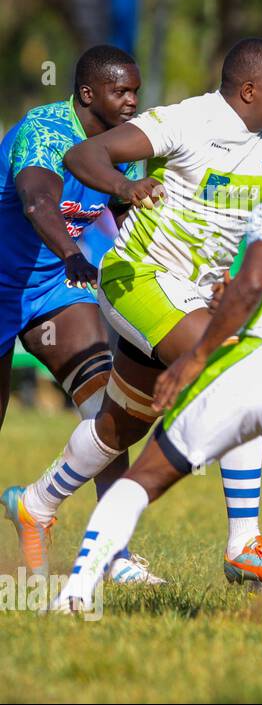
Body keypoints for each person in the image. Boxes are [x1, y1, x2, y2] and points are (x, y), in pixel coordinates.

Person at [53, 127, 262, 621]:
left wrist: (194, 357)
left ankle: (76, 591)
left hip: (255, 369)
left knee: (146, 476)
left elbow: (251, 285)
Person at [6, 37, 262, 585]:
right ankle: (244, 542)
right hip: (135, 279)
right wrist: (126, 188)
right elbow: (79, 159)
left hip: (187, 293)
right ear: (248, 89)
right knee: (234, 370)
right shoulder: (185, 121)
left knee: (121, 422)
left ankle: (37, 503)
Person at [0, 45, 161, 583]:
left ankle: (110, 553)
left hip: (54, 289)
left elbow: (121, 212)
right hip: (19, 281)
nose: (133, 101)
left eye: (136, 90)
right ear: (88, 94)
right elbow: (38, 202)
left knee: (108, 414)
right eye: (122, 92)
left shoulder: (123, 147)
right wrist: (73, 254)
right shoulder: (44, 130)